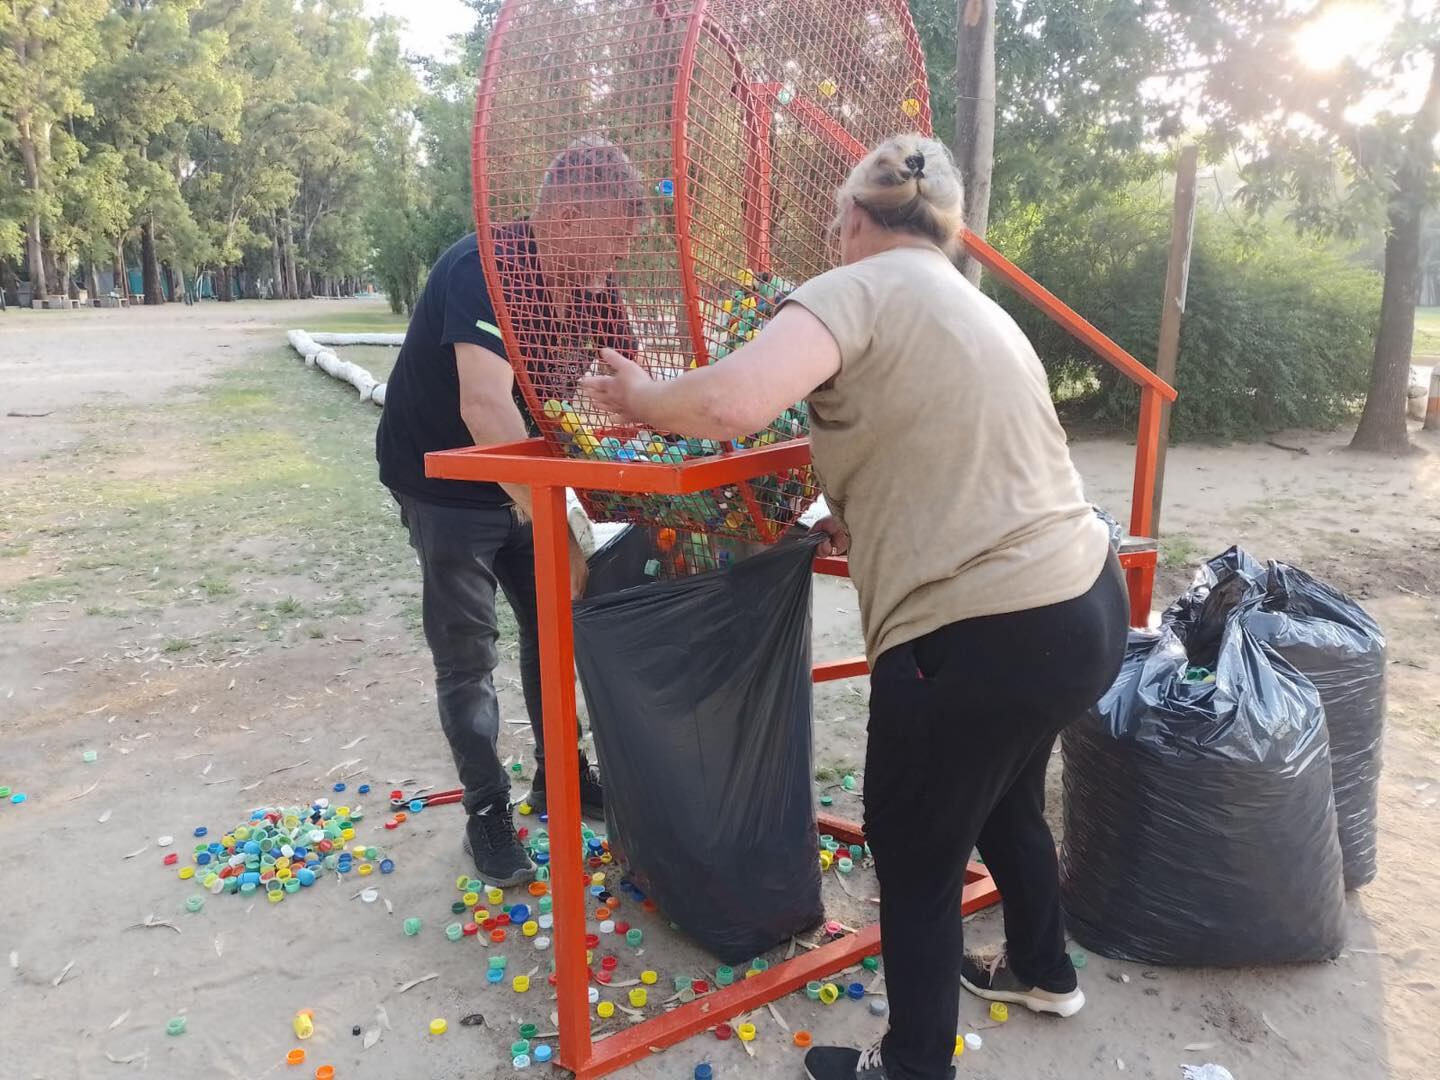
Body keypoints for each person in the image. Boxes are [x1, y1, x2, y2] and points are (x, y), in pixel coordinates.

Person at [582, 134, 1129, 1080]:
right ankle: (1045, 970)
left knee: (913, 855)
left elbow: (730, 407)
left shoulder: (855, 286)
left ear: (851, 221)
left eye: (835, 223)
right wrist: (851, 510)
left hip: (980, 628)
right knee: (1002, 798)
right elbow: (944, 438)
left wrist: (640, 395)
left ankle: (912, 1067)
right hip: (1084, 602)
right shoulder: (972, 305)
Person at [377, 136, 648, 886]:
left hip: (532, 473)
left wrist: (648, 410)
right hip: (447, 482)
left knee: (554, 629)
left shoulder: (592, 280)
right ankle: (487, 812)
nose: (627, 243)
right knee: (468, 652)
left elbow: (632, 380)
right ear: (564, 214)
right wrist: (557, 523)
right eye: (618, 223)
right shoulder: (484, 269)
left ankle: (559, 774)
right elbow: (485, 406)